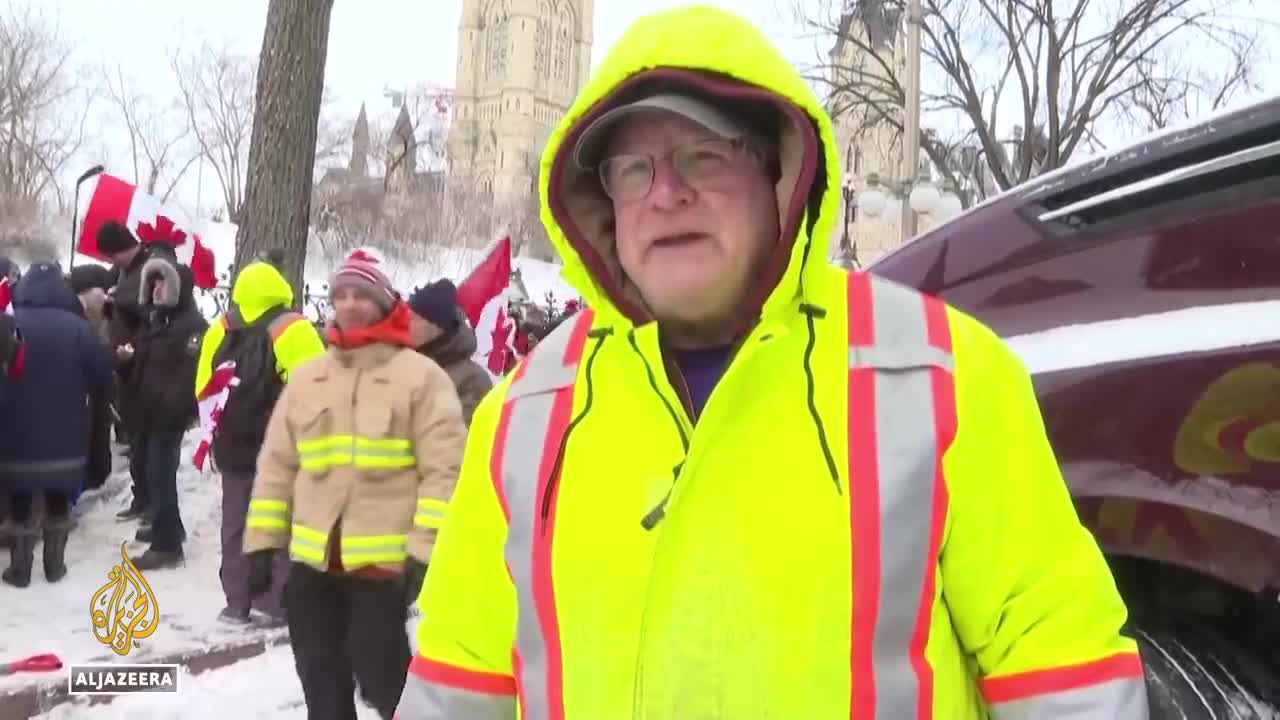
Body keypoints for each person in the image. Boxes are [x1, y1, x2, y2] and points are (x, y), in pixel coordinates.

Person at [397, 6, 1148, 720]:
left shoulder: (944, 377)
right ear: (604, 210)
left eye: (705, 154)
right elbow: (459, 685)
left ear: (777, 178)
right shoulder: (523, 416)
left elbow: (1063, 672)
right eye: (634, 171)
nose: (667, 194)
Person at [244, 249, 466, 720]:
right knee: (321, 688)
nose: (348, 303)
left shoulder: (422, 379)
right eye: (340, 294)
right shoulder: (309, 378)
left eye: (361, 294)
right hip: (312, 569)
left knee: (387, 687)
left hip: (381, 573)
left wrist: (425, 551)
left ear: (386, 302)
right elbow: (278, 465)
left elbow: (444, 471)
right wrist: (262, 542)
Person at [195, 255, 324, 625]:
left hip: (233, 444)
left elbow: (203, 387)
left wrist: (213, 437)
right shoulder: (293, 328)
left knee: (235, 522)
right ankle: (278, 601)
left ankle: (236, 602)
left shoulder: (220, 327)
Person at [0, 262, 111, 587]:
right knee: (57, 497)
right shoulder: (77, 327)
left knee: (20, 498)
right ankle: (54, 565)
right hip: (66, 431)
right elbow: (102, 374)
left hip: (14, 428)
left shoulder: (8, 323)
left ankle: (19, 569)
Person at [121, 253, 207, 570]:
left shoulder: (192, 327)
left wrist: (173, 411)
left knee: (160, 475)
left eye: (161, 282)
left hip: (166, 416)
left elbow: (187, 377)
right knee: (149, 472)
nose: (155, 289)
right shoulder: (157, 321)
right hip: (148, 412)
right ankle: (165, 523)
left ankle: (167, 543)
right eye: (152, 282)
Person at [98, 220, 177, 522]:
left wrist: (121, 301)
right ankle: (141, 496)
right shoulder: (123, 271)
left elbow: (154, 311)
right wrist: (111, 306)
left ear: (120, 248)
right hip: (128, 368)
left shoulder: (151, 268)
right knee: (135, 439)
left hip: (147, 366)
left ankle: (153, 505)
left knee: (149, 444)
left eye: (112, 255)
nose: (111, 262)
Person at [406, 279, 493, 424]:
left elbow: (456, 437)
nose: (405, 324)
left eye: (413, 319)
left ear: (437, 327)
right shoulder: (400, 361)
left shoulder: (472, 380)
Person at [68, 264, 117, 491]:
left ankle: (94, 473)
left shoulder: (99, 310)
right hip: (93, 376)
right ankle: (96, 473)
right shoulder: (82, 316)